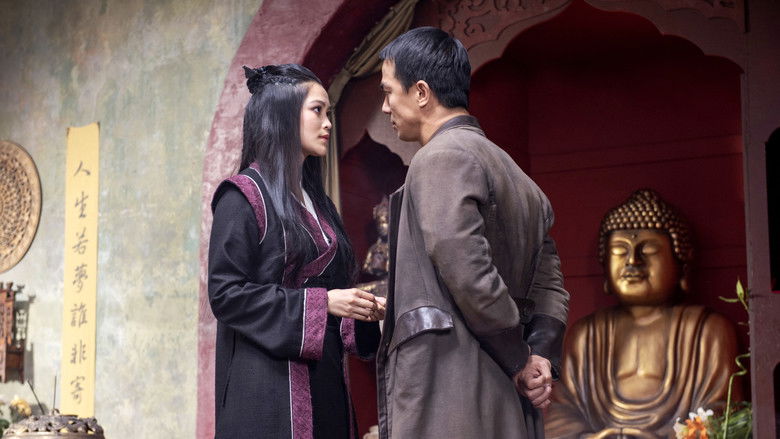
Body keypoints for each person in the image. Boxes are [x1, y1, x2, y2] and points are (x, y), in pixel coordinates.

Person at [375, 27, 570, 438]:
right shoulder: (519, 177)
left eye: (389, 92)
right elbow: (550, 283)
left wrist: (520, 358)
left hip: (453, 391)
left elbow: (466, 269)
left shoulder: (440, 157)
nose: (386, 106)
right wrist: (539, 356)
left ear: (422, 92)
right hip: (505, 398)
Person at [208, 64, 384, 439]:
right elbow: (226, 294)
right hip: (268, 390)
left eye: (328, 113)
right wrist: (323, 303)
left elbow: (332, 292)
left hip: (325, 380)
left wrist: (363, 309)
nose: (327, 123)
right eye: (317, 110)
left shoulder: (318, 202)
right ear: (283, 115)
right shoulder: (242, 196)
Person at [545, 189, 742, 438]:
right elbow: (561, 415)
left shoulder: (707, 330)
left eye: (648, 250)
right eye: (620, 250)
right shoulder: (586, 335)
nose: (633, 261)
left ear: (681, 263)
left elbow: (723, 414)